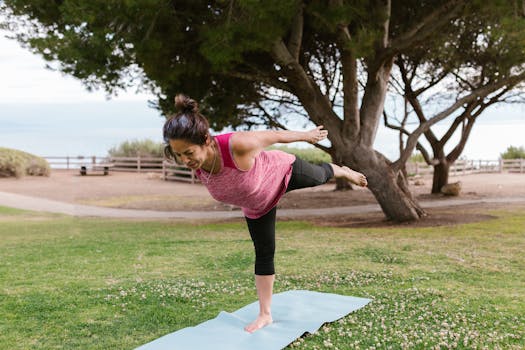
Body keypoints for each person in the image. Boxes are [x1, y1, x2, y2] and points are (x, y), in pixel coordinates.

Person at [163, 94, 368, 333]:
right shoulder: (197, 163)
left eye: (188, 152)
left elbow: (274, 135)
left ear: (206, 140)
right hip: (258, 206)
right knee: (264, 252)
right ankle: (265, 315)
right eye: (179, 155)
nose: (184, 160)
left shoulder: (237, 145)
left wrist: (306, 135)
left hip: (283, 172)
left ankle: (342, 171)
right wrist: (188, 157)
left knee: (320, 176)